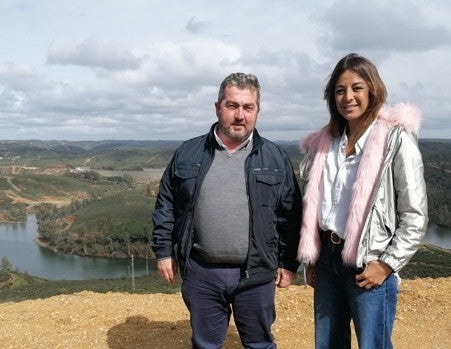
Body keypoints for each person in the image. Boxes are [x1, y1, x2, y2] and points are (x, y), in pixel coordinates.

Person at [151, 72, 303, 349]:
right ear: (218, 107)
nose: (240, 115)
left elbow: (291, 215)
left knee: (259, 343)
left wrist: (289, 262)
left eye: (248, 107)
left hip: (256, 273)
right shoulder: (188, 152)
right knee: (205, 344)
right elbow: (167, 204)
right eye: (232, 106)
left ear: (257, 110)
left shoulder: (275, 157)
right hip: (201, 272)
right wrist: (164, 252)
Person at [296, 53, 428, 348]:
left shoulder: (396, 140)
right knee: (328, 343)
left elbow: (415, 215)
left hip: (370, 261)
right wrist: (313, 255)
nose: (348, 97)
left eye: (357, 87)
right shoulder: (323, 144)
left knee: (373, 344)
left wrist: (387, 264)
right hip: (327, 260)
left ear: (372, 90)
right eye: (340, 90)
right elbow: (316, 207)